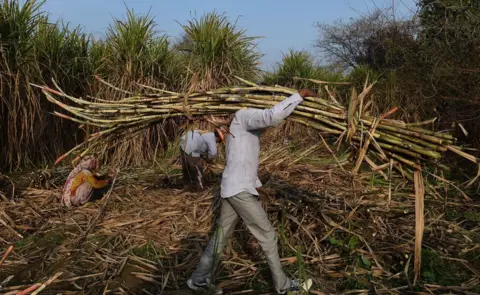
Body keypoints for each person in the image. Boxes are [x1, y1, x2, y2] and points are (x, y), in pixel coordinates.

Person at [187, 89, 316, 294]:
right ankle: (284, 287)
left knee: (220, 236)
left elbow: (243, 162)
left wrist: (259, 187)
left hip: (233, 188)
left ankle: (198, 279)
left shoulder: (238, 131)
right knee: (268, 235)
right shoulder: (242, 116)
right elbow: (271, 117)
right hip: (239, 191)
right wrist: (298, 96)